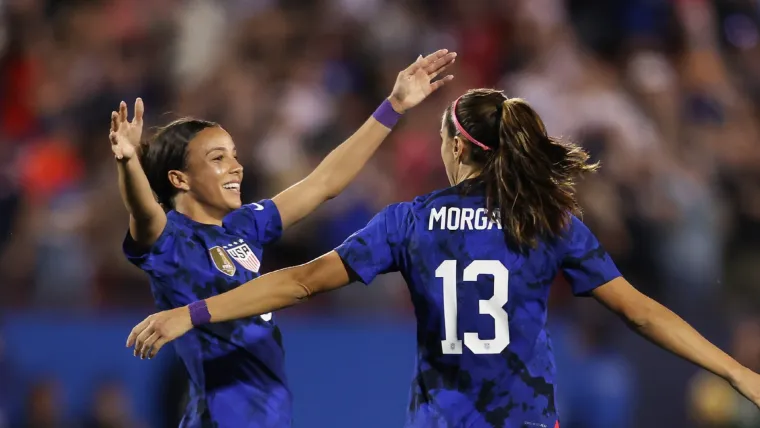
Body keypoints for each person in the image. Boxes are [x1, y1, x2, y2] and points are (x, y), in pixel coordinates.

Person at [127, 89, 760, 427]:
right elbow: (642, 314)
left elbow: (298, 282)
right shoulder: (545, 219)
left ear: (459, 147)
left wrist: (195, 312)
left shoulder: (411, 220)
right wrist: (736, 372)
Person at [115, 49, 456, 428]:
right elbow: (144, 211)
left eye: (234, 155)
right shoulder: (170, 241)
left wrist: (393, 106)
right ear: (180, 179)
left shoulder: (245, 226)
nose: (236, 166)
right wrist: (129, 162)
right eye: (217, 158)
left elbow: (324, 182)